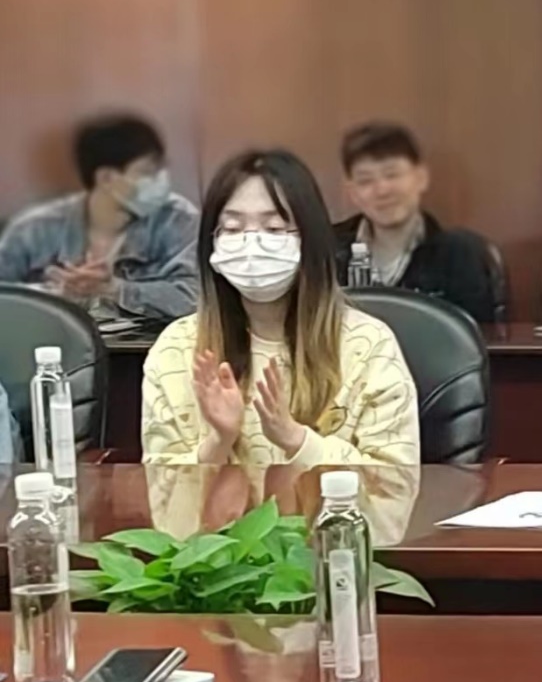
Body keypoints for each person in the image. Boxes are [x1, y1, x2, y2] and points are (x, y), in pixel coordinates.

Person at [141, 149, 421, 467]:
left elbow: (395, 482)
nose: (252, 245)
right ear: (212, 244)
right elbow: (161, 487)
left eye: (274, 229)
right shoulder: (177, 349)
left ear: (310, 240)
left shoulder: (368, 346)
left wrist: (295, 439)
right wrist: (218, 442)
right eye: (232, 228)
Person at [0, 114, 198, 320]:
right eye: (147, 172)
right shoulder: (34, 229)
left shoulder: (178, 219)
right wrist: (55, 297)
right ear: (106, 177)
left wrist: (116, 289)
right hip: (53, 337)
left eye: (162, 168)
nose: (162, 180)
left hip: (146, 341)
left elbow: (196, 297)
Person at [333, 123, 498, 323]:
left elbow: (474, 336)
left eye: (392, 174)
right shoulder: (326, 250)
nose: (382, 190)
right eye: (365, 180)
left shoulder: (460, 254)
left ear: (421, 178)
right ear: (351, 192)